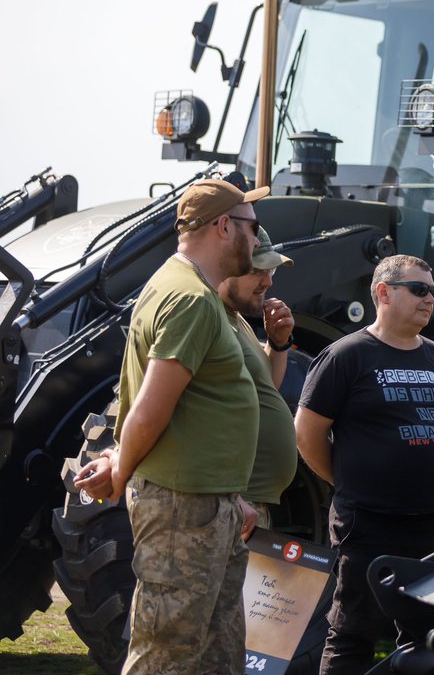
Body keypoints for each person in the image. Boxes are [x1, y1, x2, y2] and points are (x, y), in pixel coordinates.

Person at [74, 178, 267, 675]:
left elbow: (152, 401)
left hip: (208, 504)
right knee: (165, 656)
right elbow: (149, 410)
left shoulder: (182, 288)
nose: (259, 238)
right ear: (224, 226)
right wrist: (121, 472)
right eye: (253, 225)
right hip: (186, 510)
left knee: (215, 658)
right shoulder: (191, 300)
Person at [295, 254, 434, 675]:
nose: (430, 299)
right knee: (352, 634)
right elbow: (307, 434)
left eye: (433, 292)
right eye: (419, 289)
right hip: (368, 525)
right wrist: (346, 481)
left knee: (431, 637)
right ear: (384, 293)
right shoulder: (346, 355)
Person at [219, 226, 299, 527]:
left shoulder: (237, 320)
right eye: (258, 271)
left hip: (245, 504)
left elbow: (265, 389)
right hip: (231, 502)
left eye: (271, 272)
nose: (267, 281)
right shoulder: (210, 318)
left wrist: (278, 343)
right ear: (227, 267)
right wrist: (228, 494)